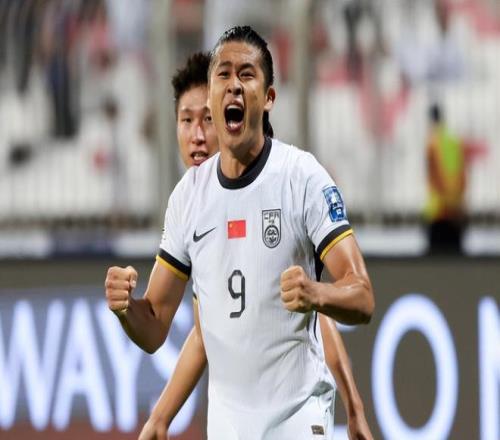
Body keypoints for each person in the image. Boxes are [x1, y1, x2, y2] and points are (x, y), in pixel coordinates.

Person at [105, 26, 374, 439]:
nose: (233, 85)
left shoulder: (301, 177)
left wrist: (317, 294)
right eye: (223, 75)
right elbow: (159, 325)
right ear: (212, 95)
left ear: (268, 98)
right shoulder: (188, 198)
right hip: (228, 427)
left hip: (298, 418)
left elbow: (362, 297)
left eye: (246, 75)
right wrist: (127, 309)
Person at [424, 102, 466, 253]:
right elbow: (462, 176)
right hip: (456, 212)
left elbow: (436, 178)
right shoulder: (454, 141)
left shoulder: (432, 143)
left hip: (438, 212)